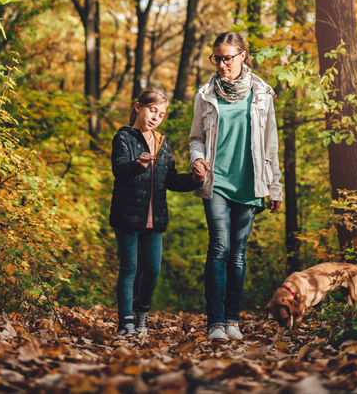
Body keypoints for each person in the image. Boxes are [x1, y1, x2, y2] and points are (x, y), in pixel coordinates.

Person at [189, 32, 283, 340]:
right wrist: (196, 161)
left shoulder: (262, 94)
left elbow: (271, 144)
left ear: (243, 56)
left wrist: (275, 187)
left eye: (227, 57)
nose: (221, 64)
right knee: (219, 247)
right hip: (216, 182)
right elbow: (197, 138)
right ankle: (215, 322)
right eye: (217, 58)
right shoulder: (205, 94)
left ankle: (232, 320)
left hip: (250, 183)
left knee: (238, 255)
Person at [110, 88, 204, 336]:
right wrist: (136, 165)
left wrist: (194, 180)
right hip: (127, 214)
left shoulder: (163, 143)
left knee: (152, 270)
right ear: (138, 107)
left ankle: (141, 309)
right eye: (152, 110)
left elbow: (170, 180)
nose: (155, 117)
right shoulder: (124, 138)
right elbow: (119, 169)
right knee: (129, 267)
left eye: (161, 114)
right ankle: (126, 321)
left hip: (155, 217)